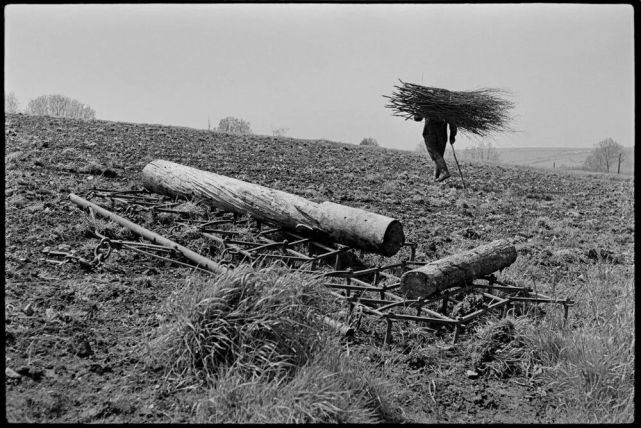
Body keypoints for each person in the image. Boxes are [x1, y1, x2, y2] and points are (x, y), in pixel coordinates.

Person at [414, 114, 457, 182]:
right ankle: (436, 178)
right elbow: (452, 122)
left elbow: (417, 118)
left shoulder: (426, 104)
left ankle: (444, 171)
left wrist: (416, 111)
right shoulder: (447, 107)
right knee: (439, 156)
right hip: (442, 135)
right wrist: (452, 136)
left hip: (430, 133)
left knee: (435, 154)